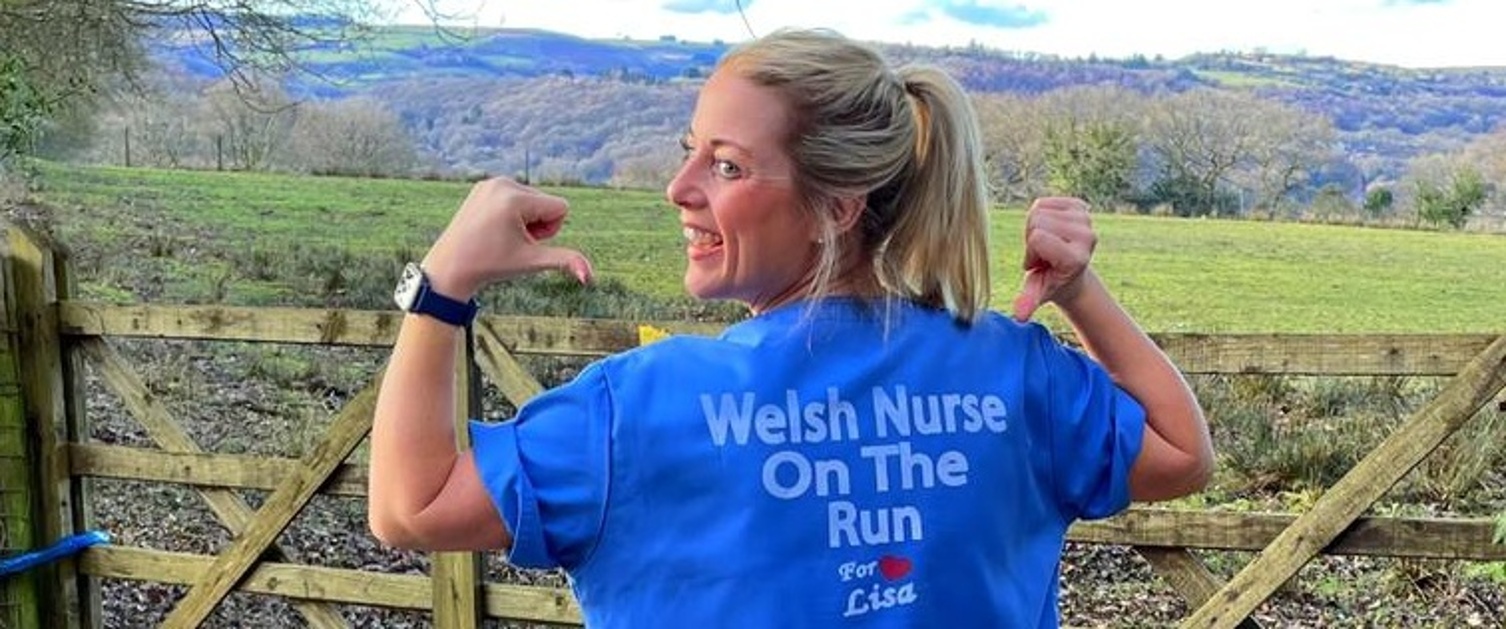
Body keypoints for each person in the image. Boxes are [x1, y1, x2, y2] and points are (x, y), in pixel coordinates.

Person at [367, 27, 1212, 628]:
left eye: (726, 165)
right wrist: (1081, 292)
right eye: (690, 149)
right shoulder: (1012, 372)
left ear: (835, 209)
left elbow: (413, 507)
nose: (679, 186)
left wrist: (445, 284)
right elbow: (1183, 453)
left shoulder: (642, 407)